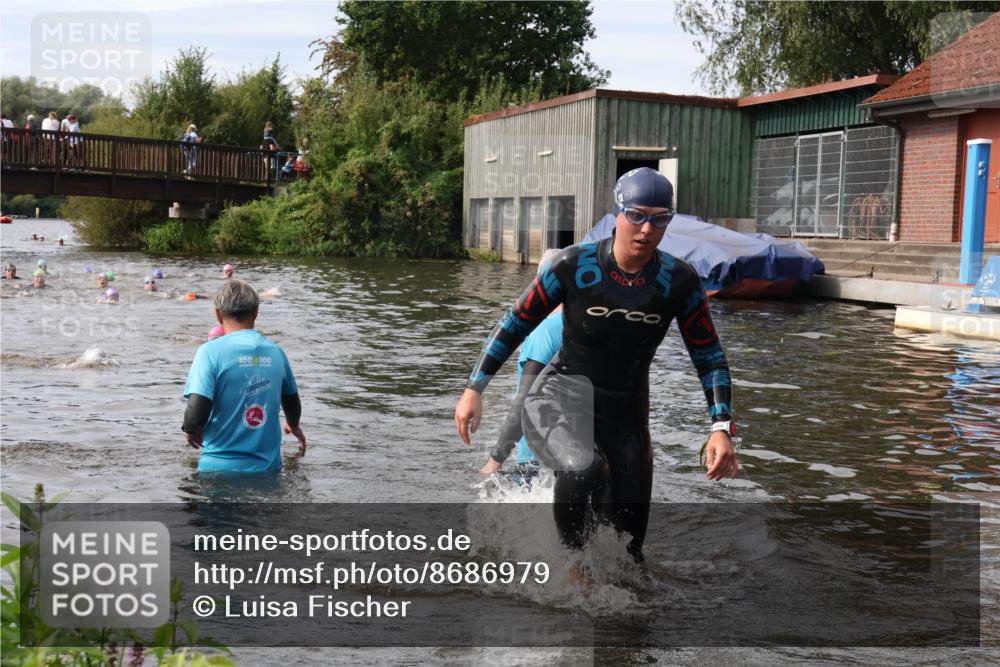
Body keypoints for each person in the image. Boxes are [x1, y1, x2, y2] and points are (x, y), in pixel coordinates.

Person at [454, 167, 737, 564]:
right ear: (618, 214)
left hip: (627, 414)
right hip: (560, 396)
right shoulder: (574, 265)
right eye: (636, 215)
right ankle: (570, 569)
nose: (646, 229)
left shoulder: (680, 282)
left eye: (659, 218)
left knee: (629, 548)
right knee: (585, 469)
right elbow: (514, 322)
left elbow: (709, 357)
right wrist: (474, 389)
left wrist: (721, 427)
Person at [182, 278, 306, 474]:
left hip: (218, 470)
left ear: (218, 314)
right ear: (256, 312)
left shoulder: (209, 352)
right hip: (268, 470)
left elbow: (197, 408)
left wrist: (190, 429)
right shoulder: (277, 353)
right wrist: (293, 424)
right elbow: (291, 401)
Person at [480, 251, 564, 478]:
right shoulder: (589, 329)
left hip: (536, 464)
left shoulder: (545, 333)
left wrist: (496, 459)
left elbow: (526, 400)